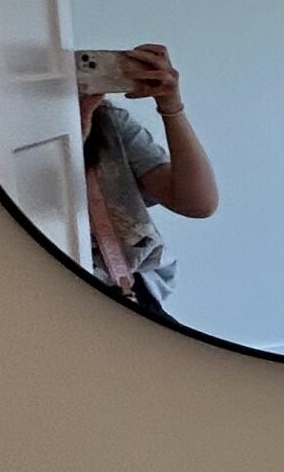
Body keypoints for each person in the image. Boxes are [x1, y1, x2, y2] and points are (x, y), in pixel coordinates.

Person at [80, 42, 218, 319]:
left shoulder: (108, 122)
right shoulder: (13, 133)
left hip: (129, 289)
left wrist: (171, 106)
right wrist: (76, 134)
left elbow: (197, 203)